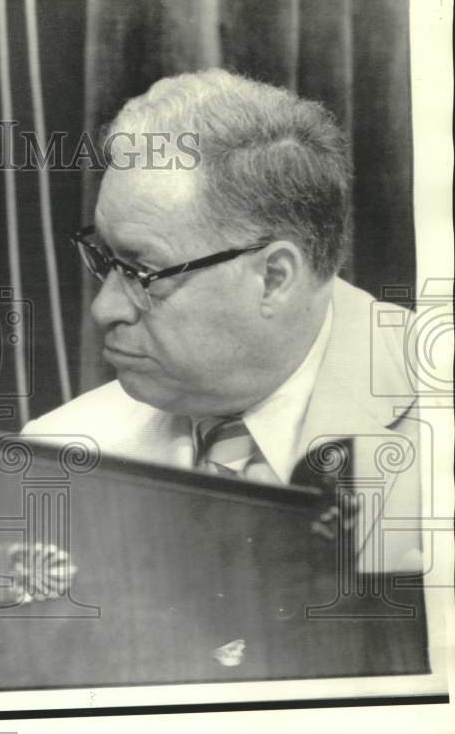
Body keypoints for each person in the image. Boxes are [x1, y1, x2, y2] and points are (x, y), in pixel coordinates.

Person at [24, 68, 422, 573]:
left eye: (143, 271)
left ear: (274, 277)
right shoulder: (60, 452)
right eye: (105, 259)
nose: (105, 308)